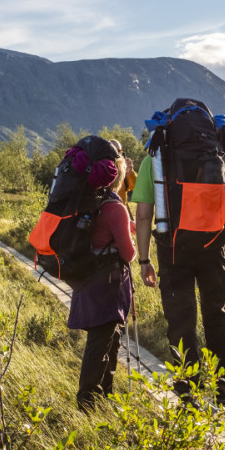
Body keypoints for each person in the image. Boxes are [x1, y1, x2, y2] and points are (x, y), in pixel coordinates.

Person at [133, 108, 225, 406]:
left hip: (173, 248)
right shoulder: (216, 152)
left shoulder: (153, 159)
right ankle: (224, 386)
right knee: (217, 313)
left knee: (181, 321)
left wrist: (144, 260)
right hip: (214, 245)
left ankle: (188, 393)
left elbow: (142, 216)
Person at [67, 151, 136, 411]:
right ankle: (87, 403)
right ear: (117, 176)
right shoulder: (115, 207)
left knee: (107, 338)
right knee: (100, 341)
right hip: (109, 283)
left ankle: (105, 396)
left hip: (87, 277)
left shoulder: (88, 202)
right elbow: (128, 254)